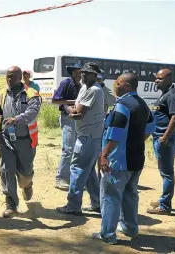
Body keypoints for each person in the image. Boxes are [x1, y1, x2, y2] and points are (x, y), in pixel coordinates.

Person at [92, 73, 155, 245]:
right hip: (136, 159)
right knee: (130, 195)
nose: (115, 86)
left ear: (126, 86)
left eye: (118, 83)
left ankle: (107, 234)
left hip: (118, 161)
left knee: (110, 196)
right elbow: (150, 129)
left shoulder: (122, 106)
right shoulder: (143, 105)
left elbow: (115, 135)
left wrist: (104, 156)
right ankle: (130, 228)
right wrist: (135, 141)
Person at [56, 62, 104, 215]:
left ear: (95, 75)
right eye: (82, 72)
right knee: (88, 172)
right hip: (87, 135)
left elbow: (78, 114)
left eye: (87, 73)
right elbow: (76, 108)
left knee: (77, 169)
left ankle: (73, 205)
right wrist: (71, 109)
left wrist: (65, 107)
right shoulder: (85, 87)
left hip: (87, 137)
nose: (83, 75)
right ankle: (97, 203)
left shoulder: (94, 90)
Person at [0, 66, 41, 218]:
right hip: (5, 138)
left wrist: (17, 119)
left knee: (25, 173)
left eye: (13, 76)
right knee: (6, 170)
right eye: (7, 76)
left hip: (25, 140)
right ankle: (11, 204)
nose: (9, 79)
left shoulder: (32, 94)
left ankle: (27, 184)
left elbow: (32, 112)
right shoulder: (1, 93)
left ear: (20, 77)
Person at [147, 68, 175, 215]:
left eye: (160, 79)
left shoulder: (173, 96)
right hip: (160, 138)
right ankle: (164, 200)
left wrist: (164, 137)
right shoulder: (165, 95)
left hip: (165, 140)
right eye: (156, 78)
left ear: (169, 80)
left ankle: (165, 205)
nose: (156, 81)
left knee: (167, 172)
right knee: (164, 172)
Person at [51, 62, 82, 190]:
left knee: (74, 149)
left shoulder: (79, 85)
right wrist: (73, 103)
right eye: (77, 72)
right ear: (72, 72)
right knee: (68, 149)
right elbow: (55, 100)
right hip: (67, 117)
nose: (79, 74)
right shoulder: (66, 83)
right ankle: (61, 178)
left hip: (75, 118)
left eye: (81, 72)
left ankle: (69, 177)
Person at [96, 69, 116, 181]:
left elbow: (113, 102)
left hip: (100, 125)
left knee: (100, 152)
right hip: (88, 125)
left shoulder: (107, 92)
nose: (97, 81)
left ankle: (100, 176)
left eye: (99, 79)